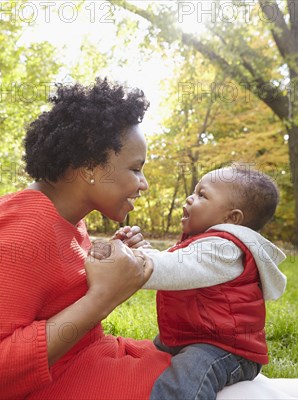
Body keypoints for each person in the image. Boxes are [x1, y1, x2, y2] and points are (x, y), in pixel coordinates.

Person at [0, 78, 173, 399]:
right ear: (90, 166)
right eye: (136, 169)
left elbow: (56, 280)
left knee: (206, 367)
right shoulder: (22, 226)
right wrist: (102, 298)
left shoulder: (65, 216)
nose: (144, 184)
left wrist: (110, 254)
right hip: (48, 386)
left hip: (82, 366)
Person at [94, 166, 287, 400]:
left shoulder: (225, 249)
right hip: (190, 339)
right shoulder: (203, 243)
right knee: (146, 360)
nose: (190, 197)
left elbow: (171, 268)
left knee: (184, 382)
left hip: (226, 349)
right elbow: (176, 265)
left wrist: (127, 260)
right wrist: (140, 251)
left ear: (231, 218)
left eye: (202, 195)